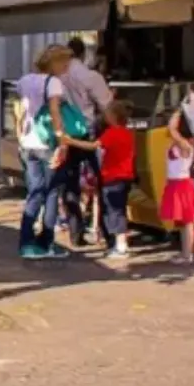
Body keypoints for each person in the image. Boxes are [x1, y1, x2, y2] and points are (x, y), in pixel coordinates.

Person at [15, 46, 77, 260]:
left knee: (34, 192)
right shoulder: (53, 83)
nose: (67, 68)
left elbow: (21, 111)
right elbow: (55, 113)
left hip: (28, 142)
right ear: (56, 63)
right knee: (50, 192)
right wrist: (63, 141)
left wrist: (20, 136)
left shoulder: (25, 81)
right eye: (65, 63)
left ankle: (25, 242)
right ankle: (46, 242)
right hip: (46, 144)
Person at [59, 38, 114, 244]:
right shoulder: (91, 76)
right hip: (90, 134)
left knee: (70, 183)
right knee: (103, 181)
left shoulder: (59, 78)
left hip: (67, 135)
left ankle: (75, 233)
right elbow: (107, 106)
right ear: (83, 54)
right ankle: (108, 233)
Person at [160, 108, 194, 263]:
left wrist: (178, 111)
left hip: (182, 185)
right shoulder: (181, 143)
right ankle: (185, 253)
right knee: (184, 223)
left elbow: (171, 129)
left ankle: (187, 254)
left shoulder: (185, 144)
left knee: (188, 222)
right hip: (175, 183)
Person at [95, 99, 136, 258]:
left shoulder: (110, 133)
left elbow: (96, 146)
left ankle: (120, 246)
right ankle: (120, 243)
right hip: (126, 176)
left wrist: (71, 141)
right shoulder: (128, 133)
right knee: (120, 210)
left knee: (114, 211)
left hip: (112, 177)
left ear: (112, 116)